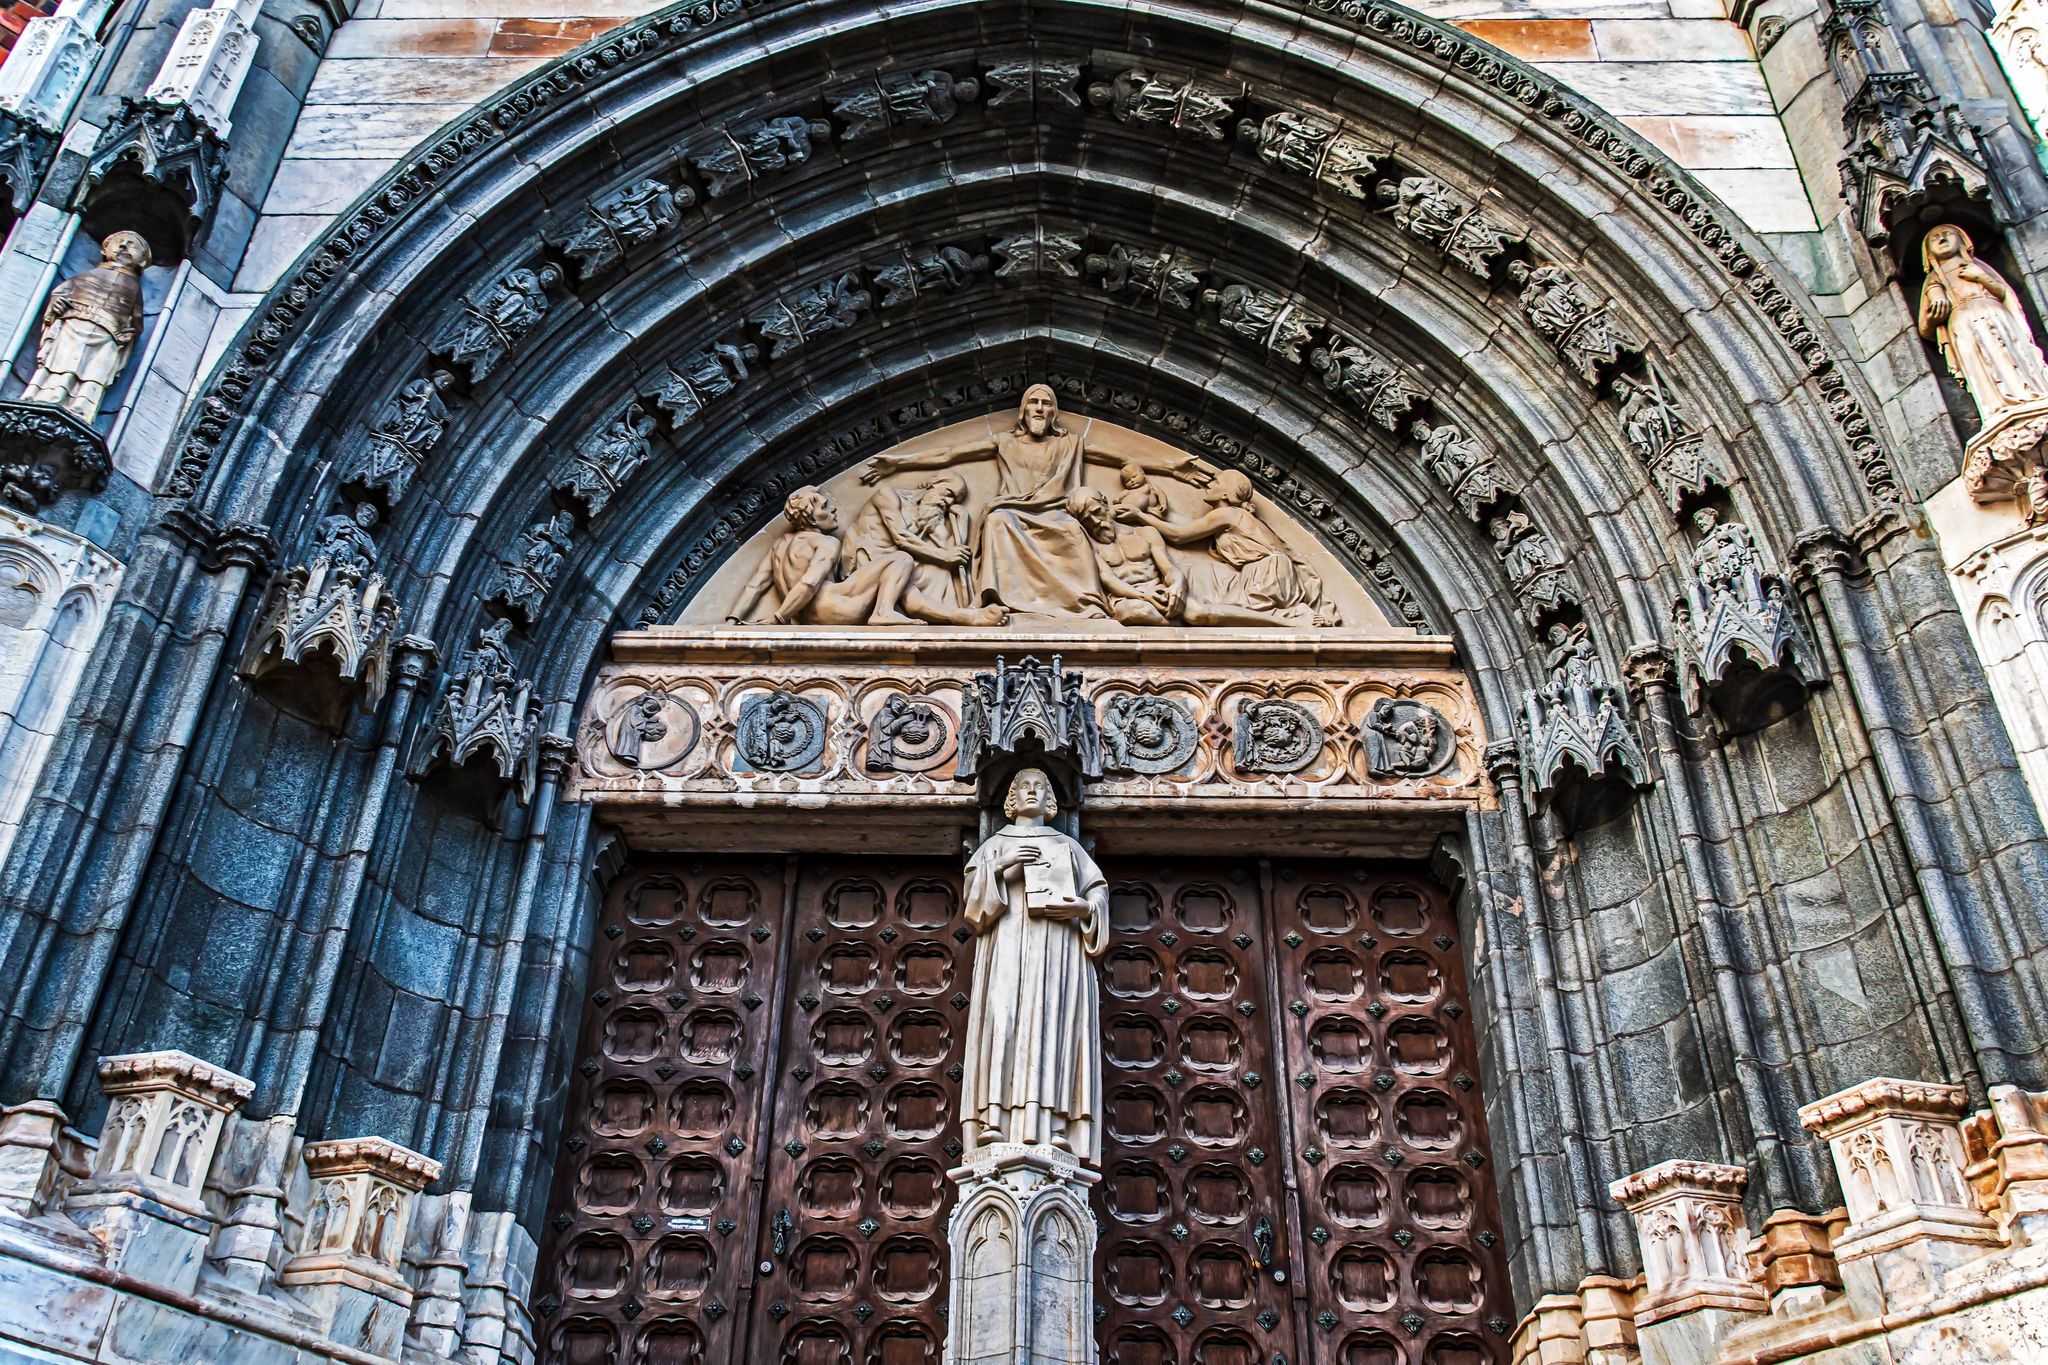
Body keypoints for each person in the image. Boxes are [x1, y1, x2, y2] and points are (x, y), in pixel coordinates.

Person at [860, 384, 1212, 618]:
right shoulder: (1004, 442)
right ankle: (1000, 602)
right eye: (1034, 403)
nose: (1040, 408)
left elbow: (1119, 456)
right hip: (1013, 509)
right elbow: (950, 453)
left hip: (1058, 512)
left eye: (1046, 403)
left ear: (1054, 412)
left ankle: (1086, 605)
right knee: (998, 521)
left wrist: (1171, 466)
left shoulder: (1070, 444)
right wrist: (899, 462)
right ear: (1024, 411)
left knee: (1074, 532)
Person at [958, 769, 1109, 1158]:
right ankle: (993, 1120)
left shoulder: (1067, 847)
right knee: (1003, 1022)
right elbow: (974, 911)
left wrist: (1083, 909)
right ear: (1010, 798)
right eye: (1023, 786)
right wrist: (1001, 865)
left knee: (1053, 1024)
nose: (1031, 792)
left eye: (1040, 787)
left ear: (1050, 800)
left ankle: (1056, 1124)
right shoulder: (994, 845)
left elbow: (1097, 895)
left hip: (1058, 948)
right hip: (1007, 945)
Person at [1117, 469, 1339, 626]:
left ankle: (1294, 617)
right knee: (1201, 580)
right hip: (1271, 572)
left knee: (1211, 609)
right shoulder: (1229, 516)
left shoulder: (1226, 514)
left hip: (1265, 575)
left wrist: (1140, 516)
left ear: (1225, 494)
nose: (1209, 485)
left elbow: (1179, 535)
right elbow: (1184, 525)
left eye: (1216, 483)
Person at [724, 486, 917, 625]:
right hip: (835, 609)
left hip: (803, 617)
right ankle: (883, 612)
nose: (832, 509)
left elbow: (755, 585)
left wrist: (731, 622)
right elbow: (809, 582)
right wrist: (778, 618)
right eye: (824, 507)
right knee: (901, 558)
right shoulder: (826, 543)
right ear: (811, 517)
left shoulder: (780, 545)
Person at [1917, 223, 2048, 428]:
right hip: (1962, 325)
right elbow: (1925, 328)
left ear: (1962, 241)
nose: (1941, 239)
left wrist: (1981, 278)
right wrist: (1934, 317)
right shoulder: (1933, 279)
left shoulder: (1977, 266)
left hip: (1994, 314)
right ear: (1928, 252)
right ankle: (1994, 407)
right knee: (1978, 361)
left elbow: (2005, 294)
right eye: (1935, 238)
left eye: (1947, 234)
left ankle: (2028, 393)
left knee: (2009, 352)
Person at [843, 473, 1009, 625]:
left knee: (937, 574)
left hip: (897, 567)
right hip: (869, 559)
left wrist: (962, 520)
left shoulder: (928, 514)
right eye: (949, 493)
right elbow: (901, 537)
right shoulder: (887, 495)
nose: (949, 502)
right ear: (934, 483)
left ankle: (963, 615)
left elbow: (952, 550)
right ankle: (884, 612)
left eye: (954, 500)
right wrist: (944, 556)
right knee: (906, 562)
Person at [23, 232, 151, 423]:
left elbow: (136, 321)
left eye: (132, 245)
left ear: (142, 261)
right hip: (73, 324)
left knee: (95, 371)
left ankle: (81, 408)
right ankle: (43, 396)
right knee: (60, 362)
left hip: (107, 336)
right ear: (104, 249)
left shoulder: (133, 288)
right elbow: (61, 294)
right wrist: (57, 304)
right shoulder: (87, 275)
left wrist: (128, 334)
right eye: (119, 242)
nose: (124, 247)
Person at [1069, 487, 1184, 625]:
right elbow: (1108, 578)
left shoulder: (1145, 533)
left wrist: (1178, 583)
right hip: (1125, 600)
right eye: (1087, 520)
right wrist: (1143, 596)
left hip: (1159, 591)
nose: (1095, 521)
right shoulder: (1092, 548)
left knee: (1198, 613)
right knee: (1137, 610)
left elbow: (1169, 568)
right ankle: (1177, 628)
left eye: (1096, 512)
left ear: (1105, 503)